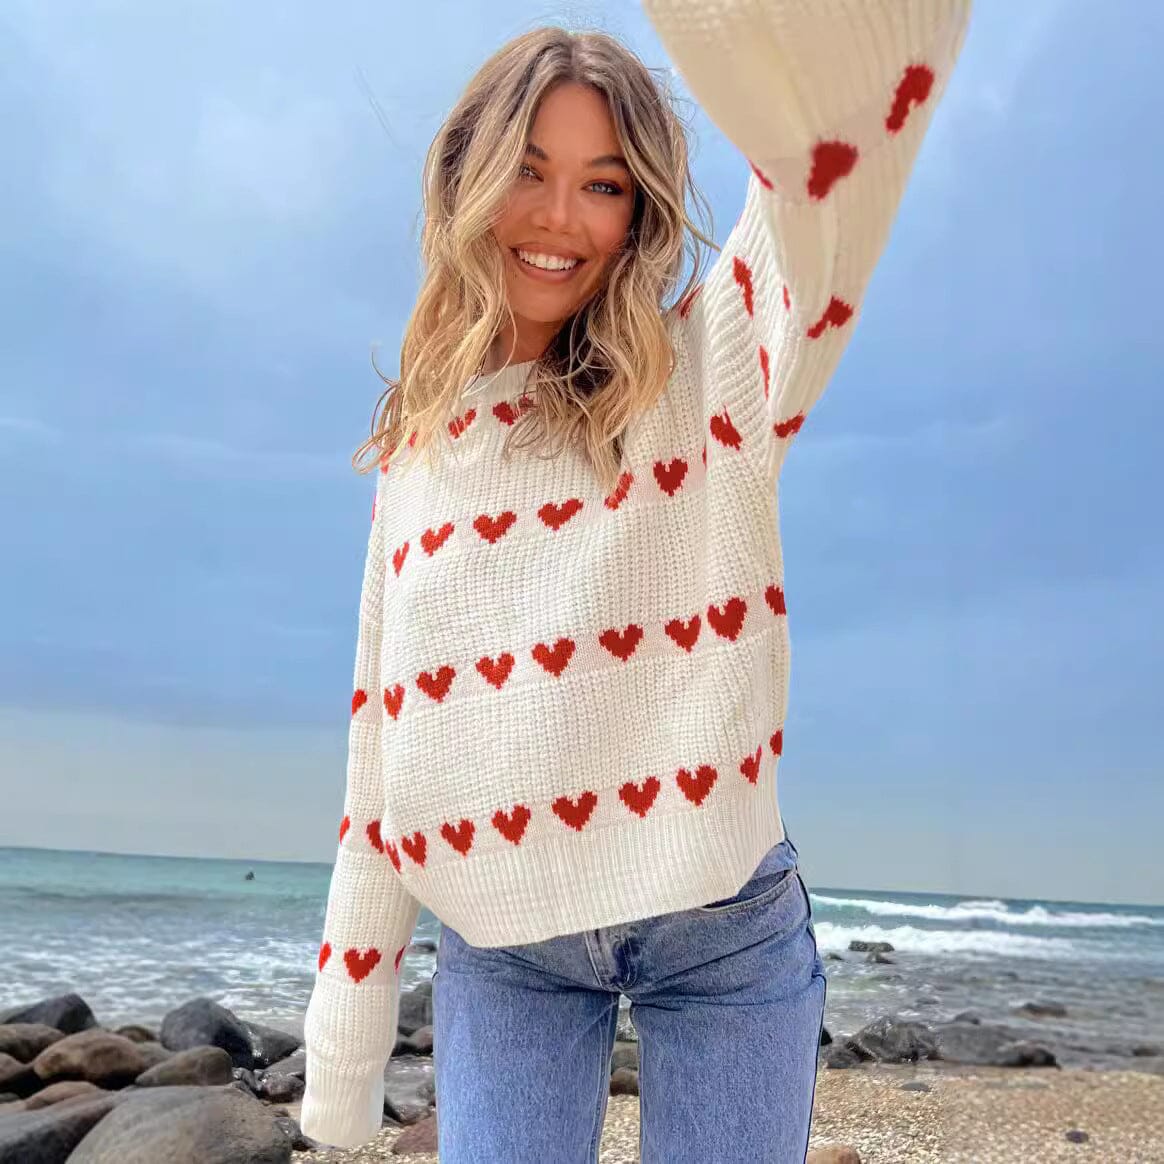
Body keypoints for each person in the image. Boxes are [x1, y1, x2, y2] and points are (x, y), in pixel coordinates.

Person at [299, 2, 972, 1160]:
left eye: (604, 183)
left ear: (642, 205)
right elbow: (383, 761)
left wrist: (722, 35)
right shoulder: (420, 450)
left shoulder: (717, 365)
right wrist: (344, 1061)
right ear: (468, 181)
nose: (560, 218)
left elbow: (832, 187)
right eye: (530, 171)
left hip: (720, 930)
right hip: (503, 950)